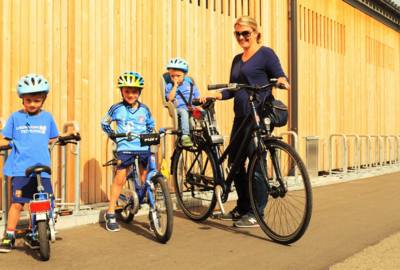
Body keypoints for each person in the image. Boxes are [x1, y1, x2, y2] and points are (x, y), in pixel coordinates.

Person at [203, 16, 290, 227]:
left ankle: (255, 213)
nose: (242, 37)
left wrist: (281, 82)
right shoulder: (236, 59)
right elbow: (234, 88)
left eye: (246, 33)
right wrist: (217, 95)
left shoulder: (266, 54)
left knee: (256, 162)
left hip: (258, 116)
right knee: (235, 162)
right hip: (241, 117)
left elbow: (281, 76)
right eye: (238, 34)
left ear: (255, 33)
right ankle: (241, 208)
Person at [0, 74, 60, 252]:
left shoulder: (47, 117)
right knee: (18, 203)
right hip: (21, 169)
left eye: (36, 100)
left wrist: (65, 137)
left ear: (43, 100)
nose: (32, 103)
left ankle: (35, 232)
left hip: (43, 169)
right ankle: (9, 234)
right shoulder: (15, 117)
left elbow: (54, 137)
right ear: (22, 100)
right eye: (28, 100)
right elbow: (5, 138)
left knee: (46, 202)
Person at [101, 71, 156, 232]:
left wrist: (152, 133)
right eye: (127, 91)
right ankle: (111, 212)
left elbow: (150, 125)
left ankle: (151, 210)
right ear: (122, 91)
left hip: (143, 146)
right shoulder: (116, 108)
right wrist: (114, 136)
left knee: (147, 177)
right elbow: (104, 123)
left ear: (139, 92)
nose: (131, 94)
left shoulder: (144, 109)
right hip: (125, 147)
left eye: (134, 91)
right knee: (120, 177)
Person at [164, 57, 200, 147]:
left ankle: (203, 134)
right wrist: (175, 86)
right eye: (172, 76)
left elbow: (197, 98)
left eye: (178, 76)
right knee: (184, 113)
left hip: (191, 108)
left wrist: (198, 105)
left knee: (203, 112)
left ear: (185, 75)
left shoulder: (191, 86)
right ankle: (185, 135)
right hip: (179, 109)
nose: (175, 78)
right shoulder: (169, 86)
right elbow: (170, 99)